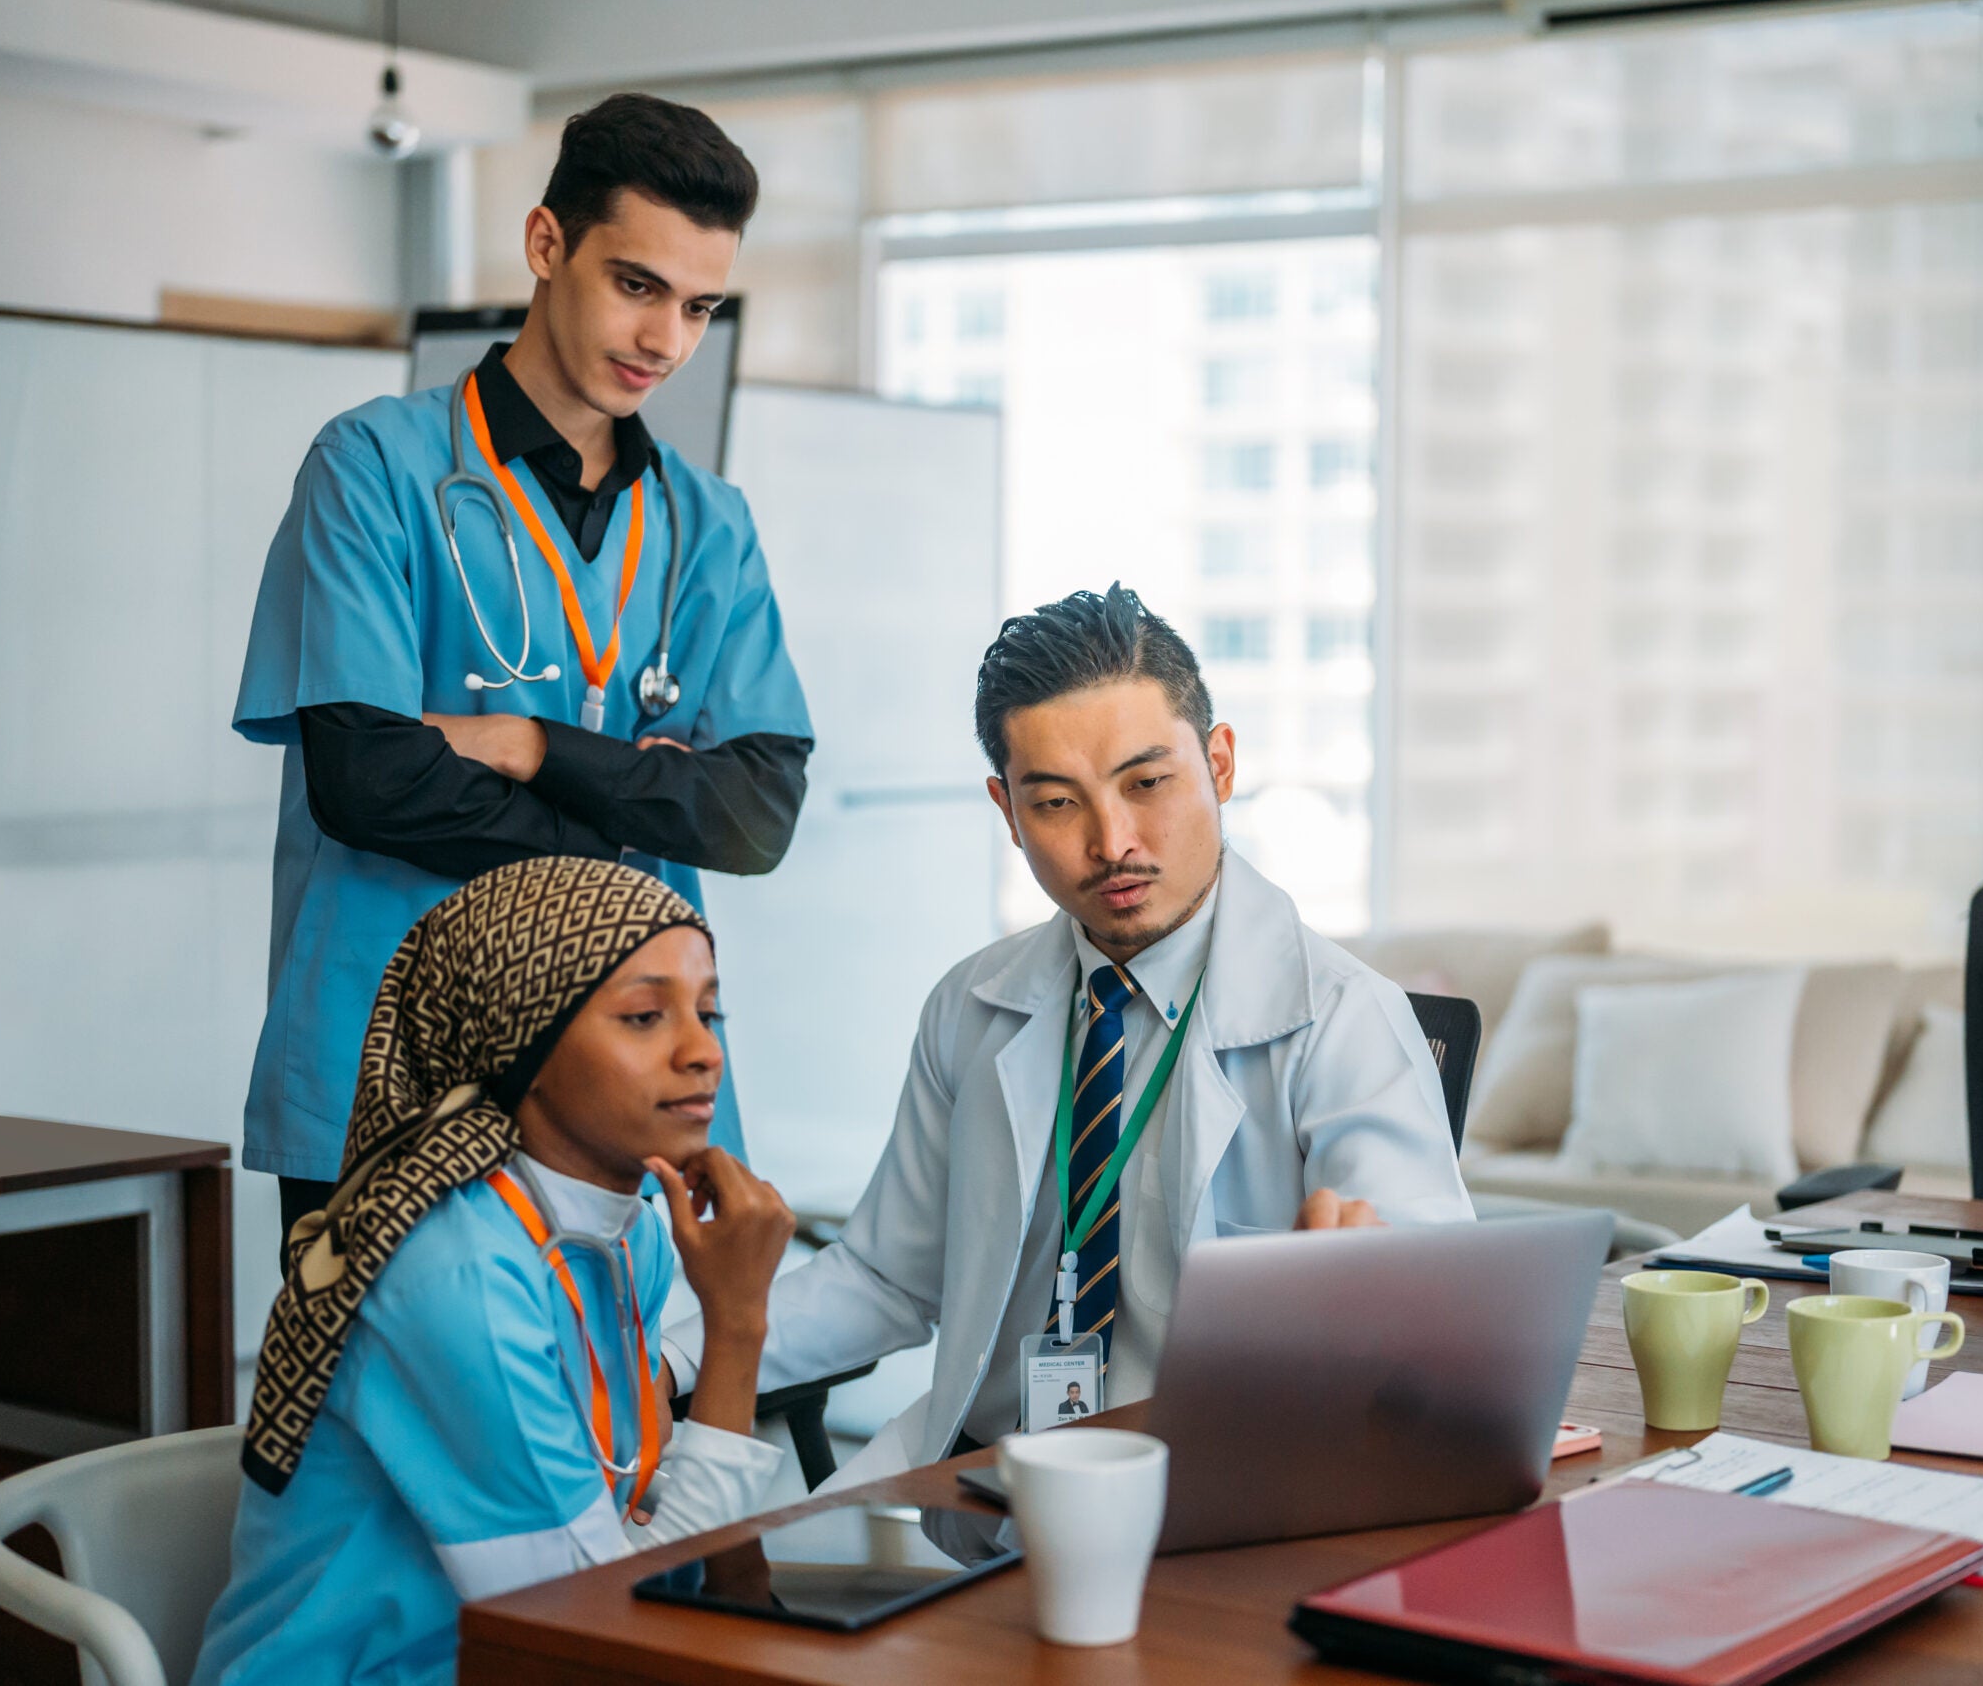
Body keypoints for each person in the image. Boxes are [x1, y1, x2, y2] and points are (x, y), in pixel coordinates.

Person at [662, 585, 1471, 1475]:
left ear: (1222, 764)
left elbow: (1427, 1314)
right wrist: (668, 1357)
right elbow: (887, 1277)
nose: (1112, 841)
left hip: (1210, 1483)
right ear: (1006, 810)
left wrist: (1370, 1301)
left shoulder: (1344, 1019)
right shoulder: (970, 1006)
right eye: (1055, 802)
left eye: (1148, 782)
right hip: (983, 1474)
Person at [232, 93, 811, 1243]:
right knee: (385, 1418)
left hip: (624, 1076)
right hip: (392, 1060)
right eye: (636, 285)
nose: (665, 342)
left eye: (698, 306)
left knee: (622, 1415)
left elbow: (755, 815)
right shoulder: (376, 469)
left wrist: (536, 745)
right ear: (546, 246)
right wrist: (638, 815)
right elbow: (370, 778)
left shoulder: (708, 524)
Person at [194, 856, 796, 1686]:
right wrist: (737, 1327)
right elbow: (587, 1627)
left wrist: (755, 1607)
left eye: (709, 1008)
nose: (703, 1052)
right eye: (646, 1016)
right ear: (524, 1043)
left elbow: (646, 1522)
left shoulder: (635, 1236)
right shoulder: (457, 1273)